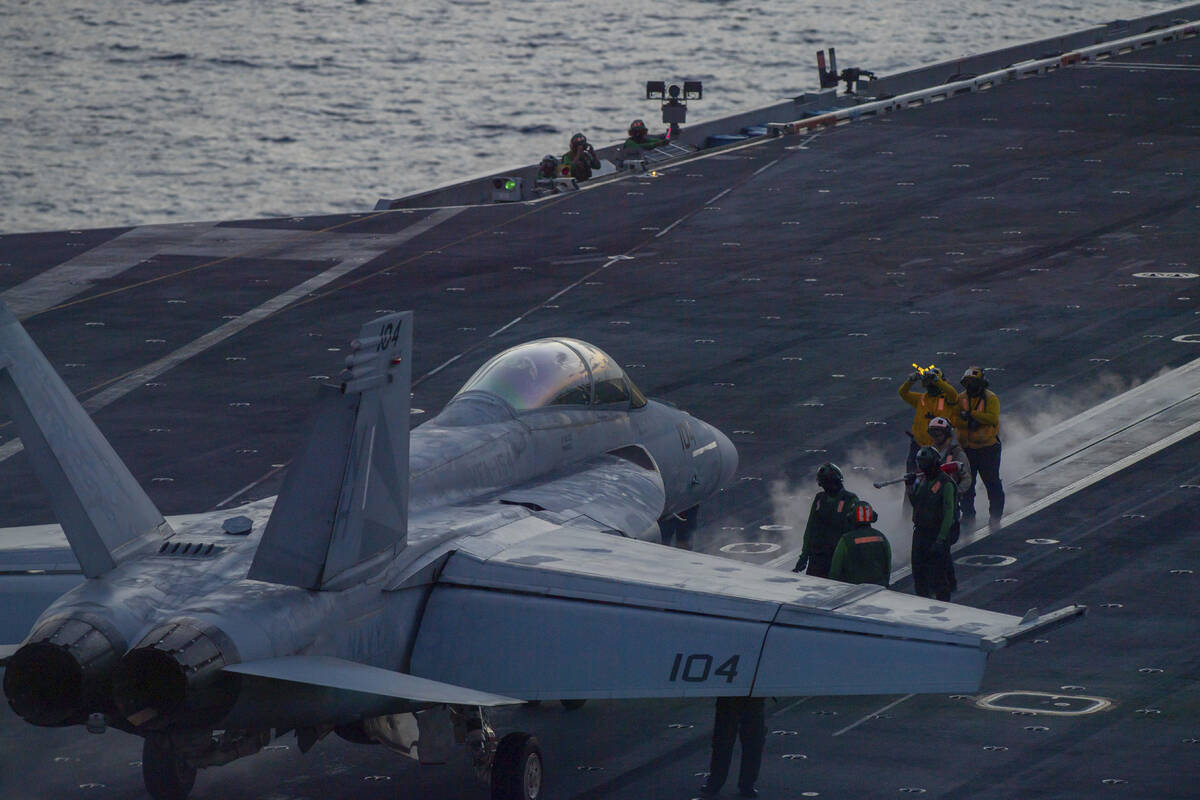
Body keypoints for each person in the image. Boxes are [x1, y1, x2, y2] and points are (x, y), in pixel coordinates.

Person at [953, 366, 1005, 525]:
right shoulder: (961, 398)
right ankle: (968, 515)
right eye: (967, 382)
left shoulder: (991, 398)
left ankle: (996, 515)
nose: (970, 386)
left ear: (981, 383)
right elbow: (954, 419)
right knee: (966, 485)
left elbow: (992, 418)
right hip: (967, 448)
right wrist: (967, 422)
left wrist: (971, 415)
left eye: (973, 382)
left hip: (987, 448)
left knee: (992, 482)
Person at [908, 445, 957, 601]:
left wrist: (941, 538)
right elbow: (916, 502)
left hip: (936, 533)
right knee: (919, 572)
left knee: (939, 576)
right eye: (920, 463)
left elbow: (949, 513)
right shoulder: (923, 481)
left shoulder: (946, 483)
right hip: (920, 532)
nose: (922, 467)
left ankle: (944, 605)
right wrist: (910, 486)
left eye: (925, 463)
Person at [793, 462, 858, 578]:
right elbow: (811, 528)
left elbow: (854, 531)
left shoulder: (850, 499)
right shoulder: (819, 499)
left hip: (838, 555)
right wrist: (804, 556)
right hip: (818, 557)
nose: (827, 487)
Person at [898, 366, 959, 475]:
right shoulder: (921, 398)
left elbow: (953, 394)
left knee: (938, 476)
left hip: (940, 447)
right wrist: (910, 381)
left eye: (933, 383)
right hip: (918, 445)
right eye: (928, 383)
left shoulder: (947, 399)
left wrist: (937, 380)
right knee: (911, 477)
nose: (931, 385)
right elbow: (902, 393)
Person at [700, 696, 765, 798]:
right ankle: (746, 785)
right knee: (752, 744)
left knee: (723, 743)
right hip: (752, 699)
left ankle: (715, 783)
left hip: (730, 699)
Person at [829, 500, 892, 587]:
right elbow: (888, 567)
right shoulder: (881, 537)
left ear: (852, 518)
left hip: (853, 592)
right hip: (879, 591)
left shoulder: (846, 540)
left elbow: (835, 571)